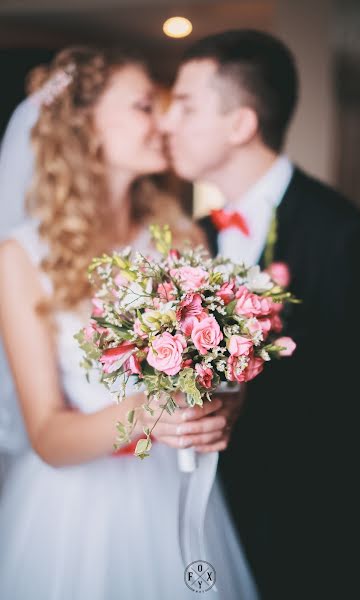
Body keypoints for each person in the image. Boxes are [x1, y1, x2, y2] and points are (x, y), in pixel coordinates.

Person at [0, 46, 259, 600]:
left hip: (179, 491)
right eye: (145, 105)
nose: (165, 120)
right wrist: (150, 412)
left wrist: (221, 406)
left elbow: (216, 373)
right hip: (73, 513)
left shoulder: (181, 237)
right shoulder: (21, 259)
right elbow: (46, 435)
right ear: (85, 128)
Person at [161, 29, 360, 599]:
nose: (168, 123)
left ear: (241, 124)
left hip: (319, 530)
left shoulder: (347, 239)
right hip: (223, 516)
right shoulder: (201, 236)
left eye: (186, 106)